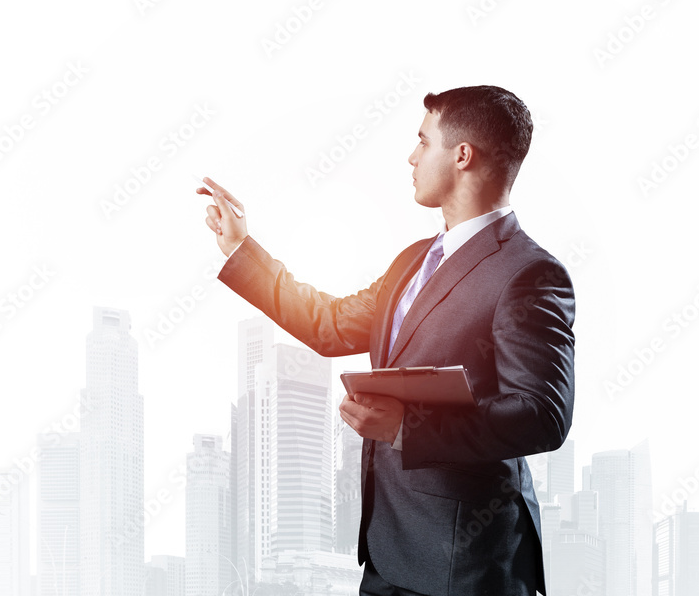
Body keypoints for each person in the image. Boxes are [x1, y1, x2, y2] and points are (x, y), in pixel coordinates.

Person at [200, 85, 575, 596]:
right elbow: (328, 325)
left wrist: (408, 428)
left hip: (466, 568)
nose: (411, 156)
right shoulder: (413, 261)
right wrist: (242, 247)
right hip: (386, 556)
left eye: (424, 142)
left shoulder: (528, 273)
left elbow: (540, 414)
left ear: (462, 155)